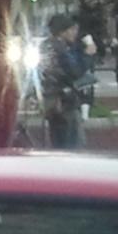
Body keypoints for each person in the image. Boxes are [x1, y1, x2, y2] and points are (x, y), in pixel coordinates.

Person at [38, 13, 89, 149]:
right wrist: (88, 56)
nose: (74, 33)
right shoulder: (61, 48)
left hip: (51, 100)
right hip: (65, 101)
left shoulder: (45, 46)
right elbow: (75, 72)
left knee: (57, 140)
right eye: (72, 30)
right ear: (62, 31)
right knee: (73, 142)